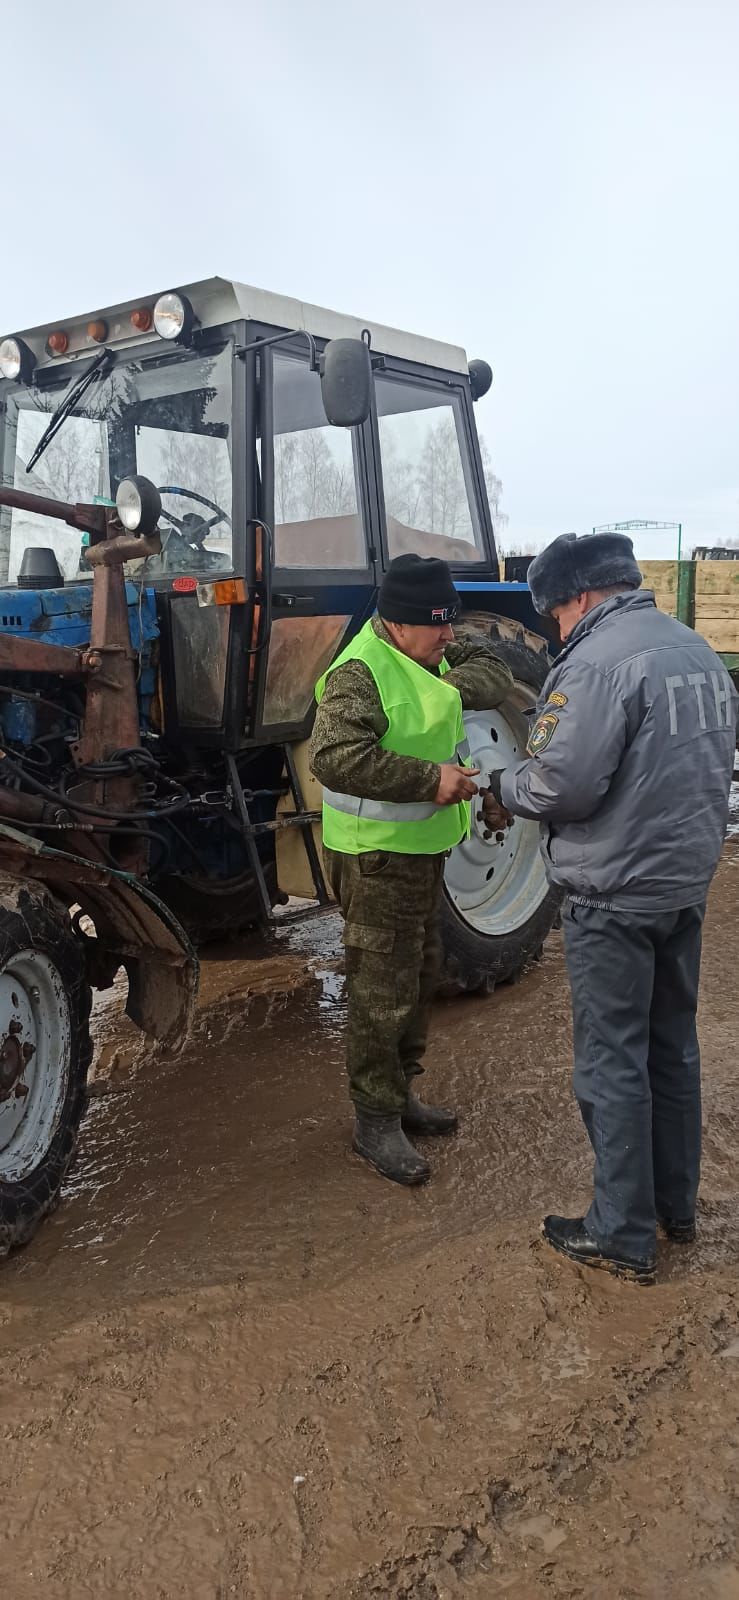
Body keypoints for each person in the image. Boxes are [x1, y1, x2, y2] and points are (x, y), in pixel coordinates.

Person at [486, 532, 738, 1283]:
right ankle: (674, 1206)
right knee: (672, 1047)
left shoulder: (596, 663)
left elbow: (561, 786)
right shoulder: (693, 650)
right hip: (681, 884)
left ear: (580, 597)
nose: (557, 629)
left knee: (610, 1061)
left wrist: (499, 783)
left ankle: (622, 1233)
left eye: (555, 615)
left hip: (613, 893)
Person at [309, 554, 513, 1187]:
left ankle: (401, 1094)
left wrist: (454, 678)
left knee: (420, 971)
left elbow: (497, 673)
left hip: (420, 852)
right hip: (375, 858)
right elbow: (334, 757)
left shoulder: (430, 659)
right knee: (382, 986)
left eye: (451, 624)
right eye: (438, 625)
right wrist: (432, 780)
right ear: (397, 624)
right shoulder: (360, 675)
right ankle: (375, 1120)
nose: (449, 636)